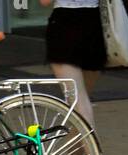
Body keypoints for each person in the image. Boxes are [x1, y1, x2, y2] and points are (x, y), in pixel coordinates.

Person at [41, 0, 104, 129]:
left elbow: (44, 1)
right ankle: (79, 149)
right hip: (95, 25)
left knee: (80, 105)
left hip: (65, 26)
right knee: (81, 105)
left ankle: (96, 149)